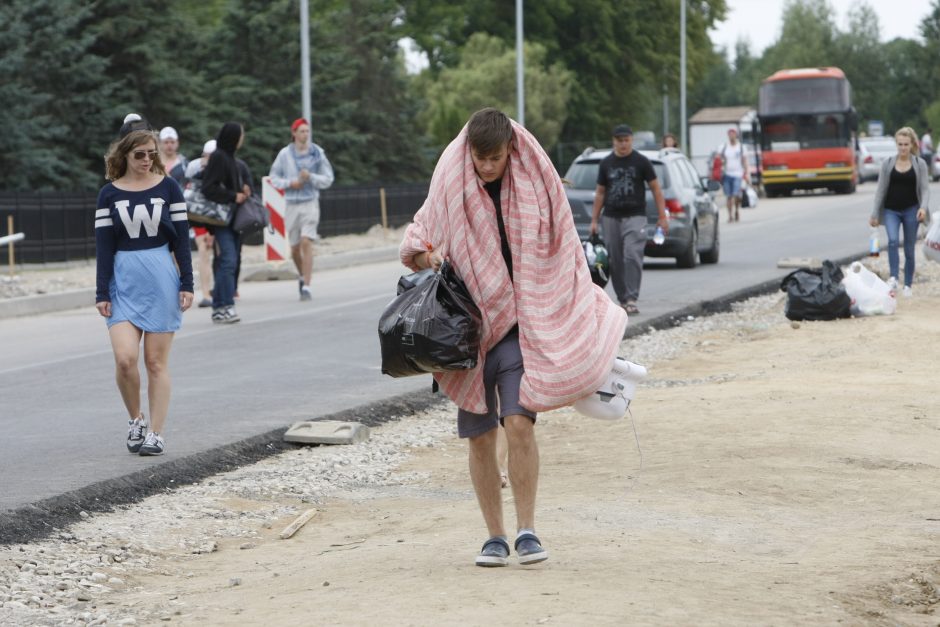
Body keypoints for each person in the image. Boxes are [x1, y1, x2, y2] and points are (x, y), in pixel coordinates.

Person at [400, 108, 627, 568]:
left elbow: (563, 240)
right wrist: (431, 257)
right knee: (480, 438)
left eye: (495, 157)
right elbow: (413, 245)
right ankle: (494, 537)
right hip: (467, 330)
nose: (487, 166)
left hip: (523, 325)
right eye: (480, 158)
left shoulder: (534, 182)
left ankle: (527, 530)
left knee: (518, 423)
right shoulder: (450, 185)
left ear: (510, 150)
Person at [95, 114, 194, 457]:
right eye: (140, 154)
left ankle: (156, 432)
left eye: (151, 153)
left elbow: (182, 241)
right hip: (123, 280)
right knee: (125, 359)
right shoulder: (108, 194)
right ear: (124, 155)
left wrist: (187, 283)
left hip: (161, 279)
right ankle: (135, 418)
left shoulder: (169, 188)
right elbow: (104, 246)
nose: (147, 159)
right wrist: (101, 292)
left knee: (155, 363)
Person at [589, 124, 667, 316]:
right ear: (613, 141)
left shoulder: (641, 162)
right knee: (615, 259)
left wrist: (662, 216)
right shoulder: (606, 163)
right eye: (619, 140)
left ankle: (632, 297)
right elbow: (600, 193)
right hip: (611, 217)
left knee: (632, 254)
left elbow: (656, 189)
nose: (623, 144)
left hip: (636, 216)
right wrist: (594, 220)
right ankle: (623, 299)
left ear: (631, 140)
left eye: (626, 140)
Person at [269, 117, 334, 301]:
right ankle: (301, 275)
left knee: (307, 241)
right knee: (295, 248)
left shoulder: (317, 153)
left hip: (310, 202)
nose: (305, 134)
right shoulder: (284, 155)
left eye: (307, 131)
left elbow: (328, 178)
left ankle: (307, 285)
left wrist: (311, 177)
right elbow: (274, 177)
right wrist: (291, 183)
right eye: (302, 131)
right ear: (294, 133)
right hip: (291, 203)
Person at [869, 126, 930, 298]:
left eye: (906, 144)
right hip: (891, 210)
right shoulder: (888, 163)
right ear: (896, 144)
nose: (903, 148)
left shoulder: (920, 164)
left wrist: (923, 208)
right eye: (900, 144)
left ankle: (908, 285)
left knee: (909, 249)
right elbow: (880, 189)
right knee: (893, 241)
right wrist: (874, 213)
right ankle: (894, 277)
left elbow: (925, 190)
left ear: (912, 145)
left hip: (912, 210)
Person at [201, 122, 250, 323]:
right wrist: (233, 196)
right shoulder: (220, 157)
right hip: (222, 220)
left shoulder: (229, 157)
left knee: (228, 261)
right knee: (228, 261)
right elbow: (209, 188)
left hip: (231, 220)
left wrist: (243, 192)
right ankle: (225, 306)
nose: (242, 138)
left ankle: (219, 307)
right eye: (240, 134)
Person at [184, 139, 217, 308]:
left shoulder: (224, 167)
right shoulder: (194, 167)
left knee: (219, 252)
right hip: (201, 215)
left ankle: (219, 288)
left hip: (219, 216)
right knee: (204, 250)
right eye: (207, 156)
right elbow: (189, 193)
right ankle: (206, 293)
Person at [718, 128, 749, 223]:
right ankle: (730, 215)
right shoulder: (723, 147)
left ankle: (736, 210)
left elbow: (744, 161)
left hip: (738, 174)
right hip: (726, 174)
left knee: (736, 195)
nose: (731, 136)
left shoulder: (741, 147)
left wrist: (746, 173)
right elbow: (719, 160)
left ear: (736, 135)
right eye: (730, 134)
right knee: (728, 196)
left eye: (733, 134)